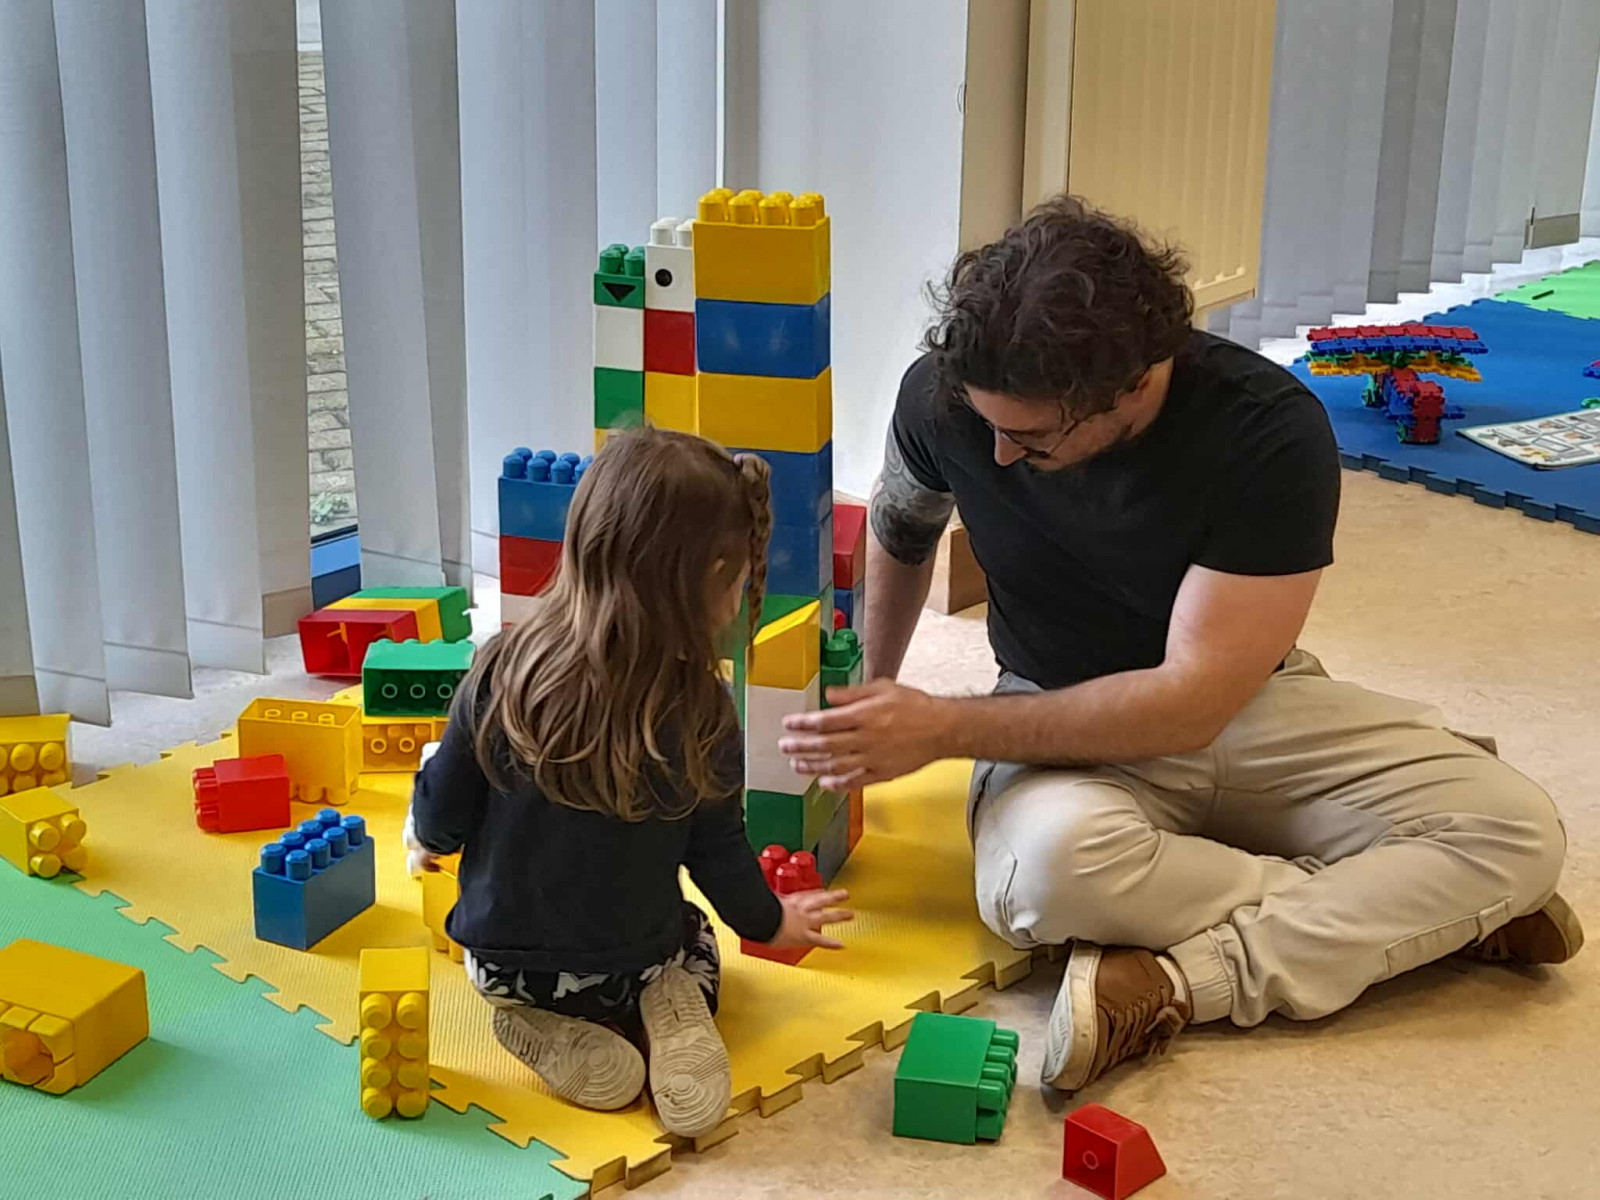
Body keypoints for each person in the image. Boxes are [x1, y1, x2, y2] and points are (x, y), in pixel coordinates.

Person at [779, 195, 1579, 1094]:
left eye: (1029, 437)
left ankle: (1182, 979)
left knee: (1515, 832)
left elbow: (1192, 704)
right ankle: (1412, 916)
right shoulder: (946, 395)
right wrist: (871, 700)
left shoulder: (1267, 430)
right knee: (1041, 880)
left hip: (1248, 703)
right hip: (1054, 712)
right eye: (987, 424)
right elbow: (902, 529)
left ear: (1132, 385)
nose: (997, 455)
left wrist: (942, 727)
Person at [408, 427, 852, 1137]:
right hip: (631, 964)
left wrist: (422, 836)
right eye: (739, 582)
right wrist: (771, 921)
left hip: (506, 966)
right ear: (712, 580)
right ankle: (672, 1007)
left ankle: (539, 1024)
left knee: (499, 978)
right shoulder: (701, 711)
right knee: (693, 940)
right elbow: (719, 855)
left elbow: (442, 817)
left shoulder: (500, 670)